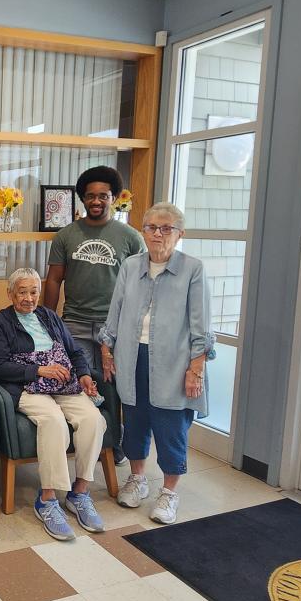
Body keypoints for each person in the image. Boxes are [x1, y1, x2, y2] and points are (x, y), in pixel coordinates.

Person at [100, 203, 213, 525]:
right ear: (143, 231)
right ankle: (137, 479)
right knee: (134, 420)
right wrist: (107, 352)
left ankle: (169, 492)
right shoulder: (131, 266)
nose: (157, 234)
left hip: (175, 362)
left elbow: (201, 326)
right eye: (151, 227)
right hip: (132, 355)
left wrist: (196, 369)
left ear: (179, 234)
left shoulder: (193, 269)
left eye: (166, 228)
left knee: (170, 425)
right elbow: (116, 311)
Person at [0, 268, 106, 540]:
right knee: (53, 421)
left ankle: (80, 493)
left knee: (93, 419)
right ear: (10, 294)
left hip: (65, 383)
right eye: (22, 292)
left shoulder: (49, 316)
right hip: (27, 387)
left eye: (34, 292)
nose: (29, 298)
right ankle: (48, 499)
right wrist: (40, 370)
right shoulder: (0, 323)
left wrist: (85, 375)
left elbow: (75, 351)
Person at [43, 166, 144, 467]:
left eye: (103, 196)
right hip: (73, 322)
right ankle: (91, 441)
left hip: (114, 327)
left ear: (114, 198)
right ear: (82, 199)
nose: (96, 201)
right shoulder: (66, 235)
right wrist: (49, 322)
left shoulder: (130, 237)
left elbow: (140, 285)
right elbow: (53, 280)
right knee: (81, 383)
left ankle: (115, 441)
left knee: (113, 385)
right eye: (90, 196)